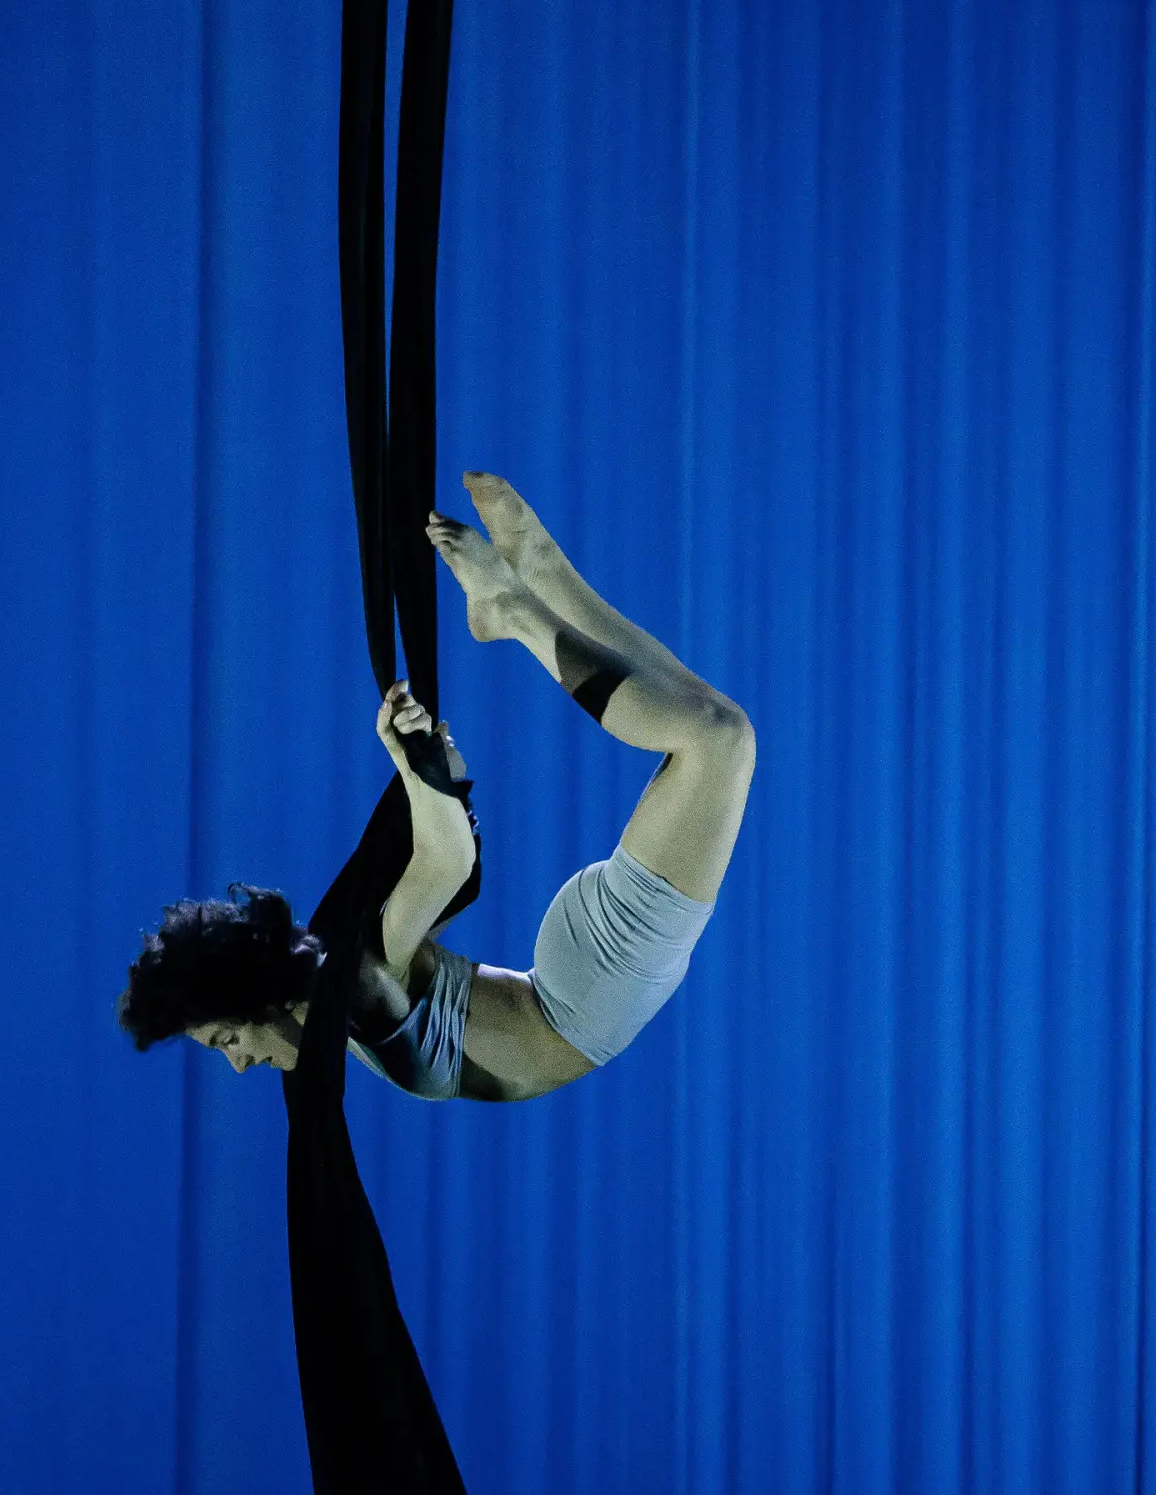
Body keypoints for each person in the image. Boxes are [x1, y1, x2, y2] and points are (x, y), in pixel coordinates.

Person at [119, 472, 755, 1103]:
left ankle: (520, 607)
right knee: (711, 725)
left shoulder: (356, 977)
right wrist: (422, 777)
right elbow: (436, 864)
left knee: (717, 737)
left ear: (252, 1000)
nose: (238, 1064)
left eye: (225, 1040)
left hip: (586, 997)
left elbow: (446, 863)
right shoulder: (344, 991)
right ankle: (540, 579)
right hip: (581, 991)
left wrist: (418, 772)